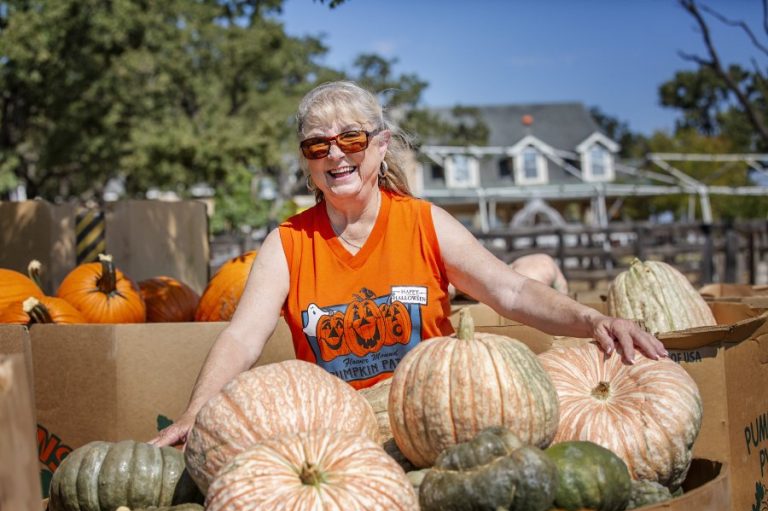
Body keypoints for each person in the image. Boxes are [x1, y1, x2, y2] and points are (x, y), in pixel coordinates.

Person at [151, 80, 666, 448]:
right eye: (317, 145)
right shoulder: (286, 243)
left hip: (435, 423)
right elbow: (242, 337)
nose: (336, 155)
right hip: (340, 437)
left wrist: (594, 320)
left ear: (381, 144)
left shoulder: (424, 222)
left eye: (351, 139)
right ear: (307, 164)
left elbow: (510, 292)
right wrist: (196, 412)